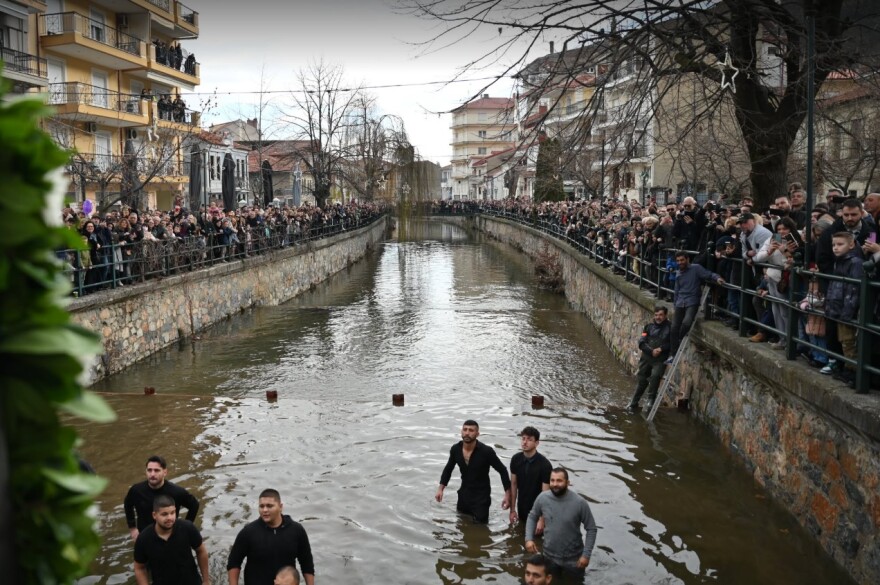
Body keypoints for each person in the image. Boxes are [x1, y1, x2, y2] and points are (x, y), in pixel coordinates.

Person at [227, 489, 315, 585]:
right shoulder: (248, 532)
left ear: (280, 507)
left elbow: (307, 564)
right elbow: (234, 563)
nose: (265, 510)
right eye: (261, 506)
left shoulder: (296, 530)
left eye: (269, 506)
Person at [525, 468, 598, 584]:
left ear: (567, 483)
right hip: (549, 557)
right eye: (552, 480)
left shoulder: (579, 503)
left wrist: (586, 555)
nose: (555, 484)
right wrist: (529, 539)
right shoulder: (542, 498)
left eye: (559, 481)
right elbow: (532, 516)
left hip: (574, 560)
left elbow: (591, 529)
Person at [436, 419, 511, 523]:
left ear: (477, 434)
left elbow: (502, 470)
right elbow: (448, 468)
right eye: (465, 429)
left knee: (481, 529)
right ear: (461, 432)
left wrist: (508, 495)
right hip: (463, 495)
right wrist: (440, 489)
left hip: (481, 498)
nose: (467, 433)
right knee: (462, 524)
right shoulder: (455, 449)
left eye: (471, 430)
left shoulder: (486, 452)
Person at [133, 495, 209, 585]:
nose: (170, 518)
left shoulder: (187, 528)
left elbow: (201, 551)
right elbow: (139, 568)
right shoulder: (144, 538)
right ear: (154, 515)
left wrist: (206, 581)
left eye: (172, 513)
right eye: (164, 514)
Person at [124, 455, 200, 541]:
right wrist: (133, 528)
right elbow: (127, 505)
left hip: (170, 537)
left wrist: (185, 528)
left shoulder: (177, 492)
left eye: (156, 470)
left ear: (165, 472)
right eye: (149, 470)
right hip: (145, 537)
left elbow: (194, 505)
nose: (152, 474)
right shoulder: (136, 490)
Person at [825, 232, 864, 389]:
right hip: (837, 308)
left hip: (846, 311)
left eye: (840, 244)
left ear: (851, 244)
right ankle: (848, 370)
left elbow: (854, 290)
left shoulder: (855, 263)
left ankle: (853, 373)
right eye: (834, 245)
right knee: (843, 340)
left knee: (849, 342)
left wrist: (847, 313)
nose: (835, 248)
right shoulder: (839, 261)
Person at [669, 251, 724, 359]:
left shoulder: (696, 268)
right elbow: (677, 290)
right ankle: (672, 353)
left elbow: (708, 274)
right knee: (674, 327)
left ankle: (679, 339)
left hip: (692, 301)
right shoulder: (678, 273)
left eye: (682, 260)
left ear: (687, 259)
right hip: (680, 301)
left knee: (687, 322)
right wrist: (675, 304)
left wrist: (717, 278)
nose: (680, 263)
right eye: (678, 261)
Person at [627, 306, 671, 411]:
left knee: (655, 377)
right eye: (656, 315)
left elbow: (673, 344)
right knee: (642, 380)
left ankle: (651, 400)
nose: (658, 317)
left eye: (660, 315)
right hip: (646, 358)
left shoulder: (670, 328)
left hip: (660, 360)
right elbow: (641, 342)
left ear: (665, 315)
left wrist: (661, 349)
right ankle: (634, 402)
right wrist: (651, 351)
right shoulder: (648, 327)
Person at [509, 426, 552, 529]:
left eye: (529, 439)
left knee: (537, 540)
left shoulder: (545, 465)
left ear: (537, 443)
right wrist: (512, 510)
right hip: (522, 506)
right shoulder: (516, 459)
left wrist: (542, 520)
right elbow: (513, 484)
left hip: (537, 510)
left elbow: (545, 495)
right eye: (523, 438)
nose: (525, 442)